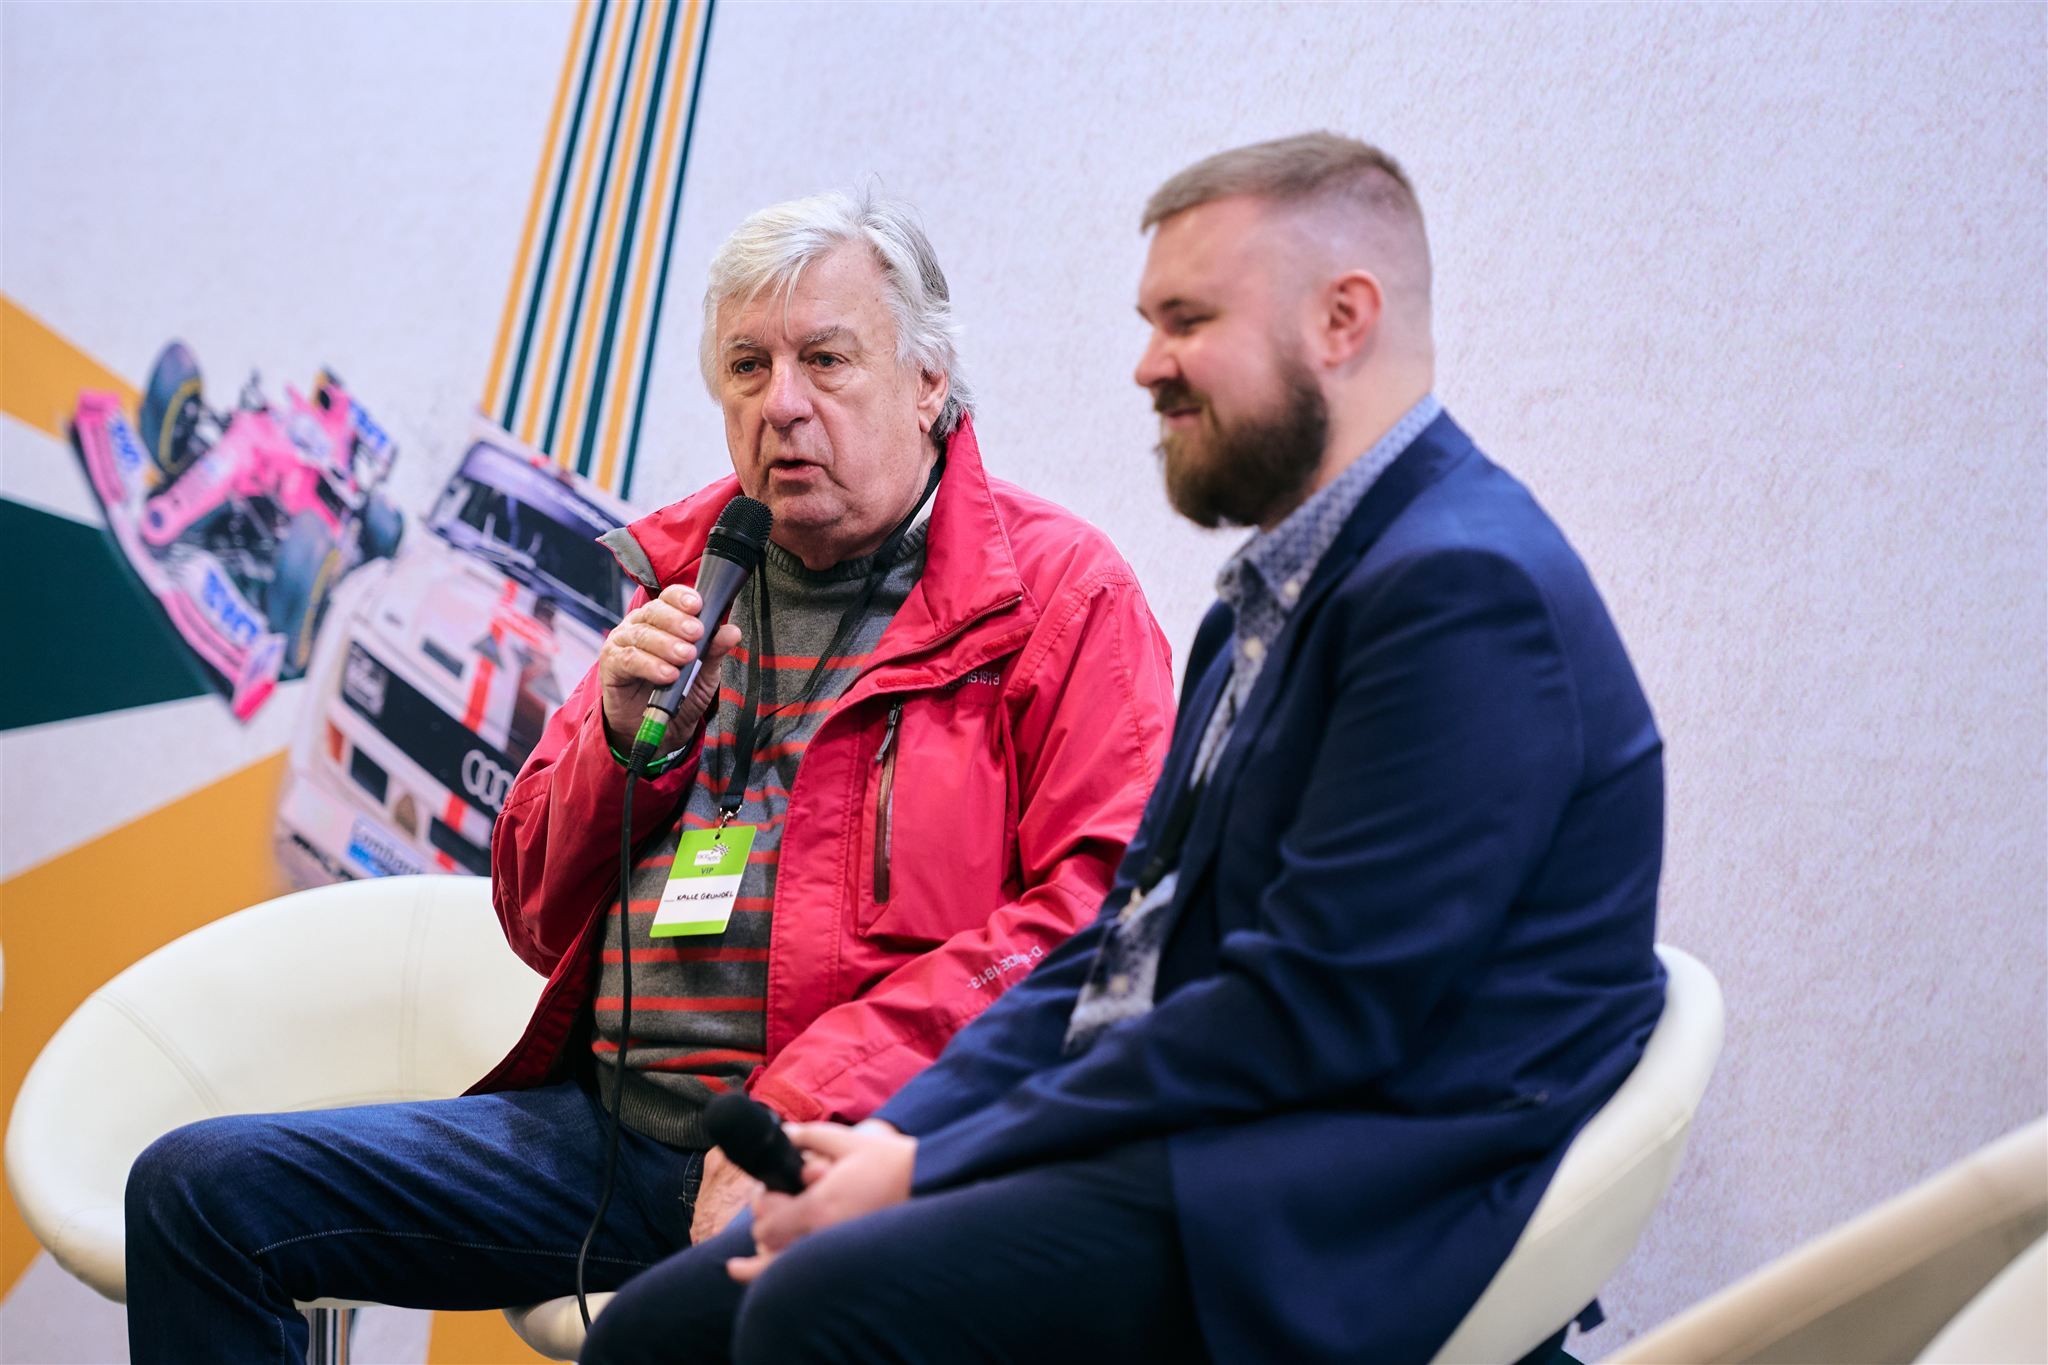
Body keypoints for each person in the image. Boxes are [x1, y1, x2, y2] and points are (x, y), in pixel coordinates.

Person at [578, 133, 1669, 1365]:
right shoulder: (1277, 592)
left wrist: (936, 1160)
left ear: (1341, 320)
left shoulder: (1461, 591)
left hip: (1317, 1201)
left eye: (1188, 320)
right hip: (1186, 1133)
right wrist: (897, 1133)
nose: (1147, 366)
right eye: (1151, 321)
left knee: (809, 1309)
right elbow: (1127, 945)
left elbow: (1304, 1012)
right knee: (665, 1329)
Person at [121, 190, 1176, 1364]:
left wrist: (801, 1101)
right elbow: (529, 909)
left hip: (850, 1151)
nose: (781, 403)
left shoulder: (1056, 598)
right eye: (746, 365)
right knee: (203, 1195)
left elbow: (1096, 923)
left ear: (928, 383)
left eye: (825, 358)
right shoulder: (693, 570)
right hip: (606, 1136)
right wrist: (623, 741)